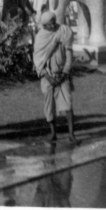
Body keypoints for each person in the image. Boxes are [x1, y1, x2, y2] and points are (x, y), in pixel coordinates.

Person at [33, 9, 78, 144]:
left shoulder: (64, 32)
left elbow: (69, 56)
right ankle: (53, 133)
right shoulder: (40, 38)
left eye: (53, 22)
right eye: (49, 24)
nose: (52, 26)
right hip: (48, 77)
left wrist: (64, 73)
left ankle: (71, 134)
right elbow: (38, 61)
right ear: (44, 26)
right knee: (49, 106)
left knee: (68, 105)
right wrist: (48, 77)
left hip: (62, 75)